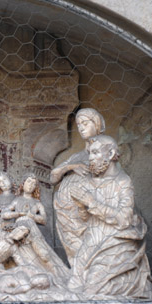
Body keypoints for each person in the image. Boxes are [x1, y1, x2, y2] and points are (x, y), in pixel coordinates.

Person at [67, 135, 152, 299]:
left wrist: (90, 202)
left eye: (95, 152)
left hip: (116, 244)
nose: (90, 158)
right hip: (91, 244)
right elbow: (85, 219)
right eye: (90, 153)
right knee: (73, 288)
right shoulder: (89, 183)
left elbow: (124, 219)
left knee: (92, 291)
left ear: (111, 153)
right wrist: (81, 205)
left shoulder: (123, 182)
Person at [51, 108, 105, 262]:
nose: (81, 127)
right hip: (67, 214)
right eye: (78, 124)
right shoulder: (77, 156)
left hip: (89, 210)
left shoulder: (106, 149)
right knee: (77, 258)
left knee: (93, 253)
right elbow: (53, 177)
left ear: (97, 124)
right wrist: (71, 167)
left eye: (85, 123)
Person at [0, 173, 69, 281]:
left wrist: (31, 216)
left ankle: (56, 276)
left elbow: (44, 219)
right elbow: (4, 214)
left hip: (32, 229)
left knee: (43, 254)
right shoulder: (17, 200)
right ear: (23, 184)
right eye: (28, 181)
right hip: (18, 229)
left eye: (34, 183)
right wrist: (18, 214)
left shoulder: (37, 203)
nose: (31, 185)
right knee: (18, 253)